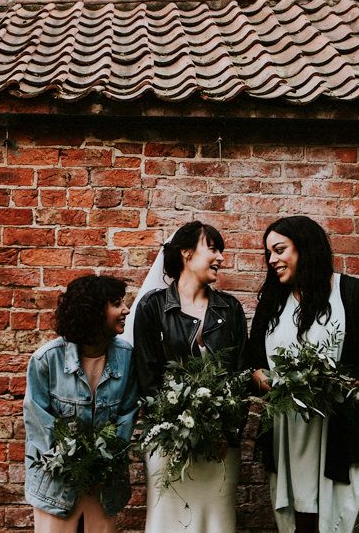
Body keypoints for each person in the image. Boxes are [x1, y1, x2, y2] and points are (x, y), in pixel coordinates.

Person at [248, 215, 359, 533]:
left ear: (305, 248)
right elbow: (252, 364)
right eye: (268, 253)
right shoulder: (273, 303)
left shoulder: (352, 295)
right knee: (298, 520)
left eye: (279, 249)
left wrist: (325, 386)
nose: (272, 259)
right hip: (288, 431)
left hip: (338, 429)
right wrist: (264, 380)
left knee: (333, 522)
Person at [133, 220, 248, 532]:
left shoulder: (230, 309)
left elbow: (240, 374)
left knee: (217, 520)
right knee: (168, 520)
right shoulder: (153, 307)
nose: (221, 257)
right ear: (185, 253)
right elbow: (147, 375)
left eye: (221, 250)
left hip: (220, 443)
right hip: (170, 440)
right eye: (212, 248)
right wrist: (173, 427)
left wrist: (226, 429)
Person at [24, 274, 139, 532]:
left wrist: (101, 461)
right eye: (116, 303)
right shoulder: (47, 360)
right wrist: (75, 465)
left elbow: (127, 414)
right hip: (57, 487)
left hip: (104, 487)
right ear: (93, 311)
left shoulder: (127, 357)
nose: (126, 309)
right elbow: (38, 422)